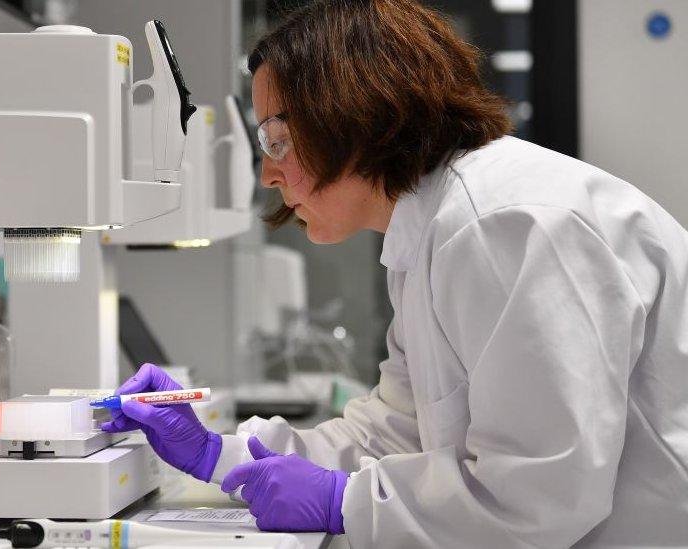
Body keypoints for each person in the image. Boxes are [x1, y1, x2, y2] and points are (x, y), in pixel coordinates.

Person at [103, 0, 688, 546]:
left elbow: (540, 494)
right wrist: (219, 454)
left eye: (277, 140)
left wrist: (344, 502)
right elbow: (394, 432)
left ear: (353, 114)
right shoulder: (429, 233)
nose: (268, 175)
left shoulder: (504, 225)